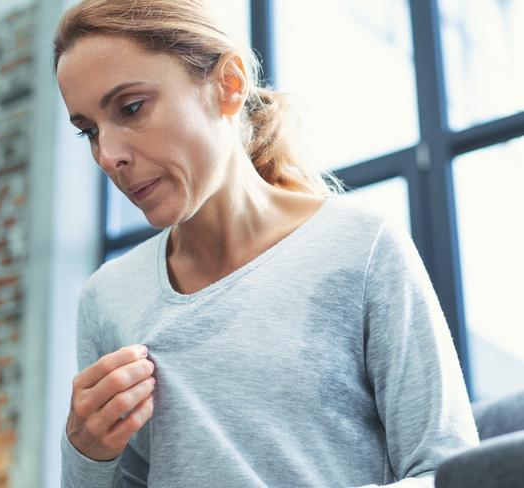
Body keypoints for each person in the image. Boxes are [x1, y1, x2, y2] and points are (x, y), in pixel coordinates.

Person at [53, 1, 480, 486]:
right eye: (89, 131)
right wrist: (86, 452)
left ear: (229, 85)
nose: (108, 156)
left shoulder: (361, 246)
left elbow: (448, 472)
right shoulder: (106, 299)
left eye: (131, 108)